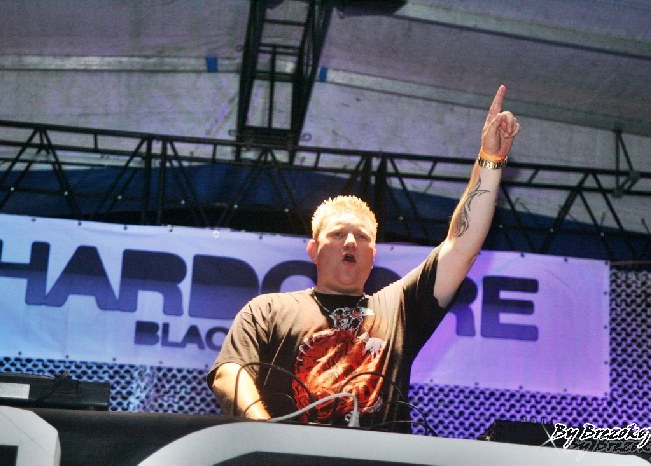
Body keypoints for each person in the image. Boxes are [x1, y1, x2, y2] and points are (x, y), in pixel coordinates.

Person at [207, 85, 520, 432]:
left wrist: (490, 160)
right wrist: (265, 432)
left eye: (362, 237)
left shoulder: (399, 307)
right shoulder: (266, 310)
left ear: (373, 254)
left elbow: (461, 245)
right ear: (313, 250)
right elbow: (229, 373)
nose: (350, 242)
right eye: (337, 234)